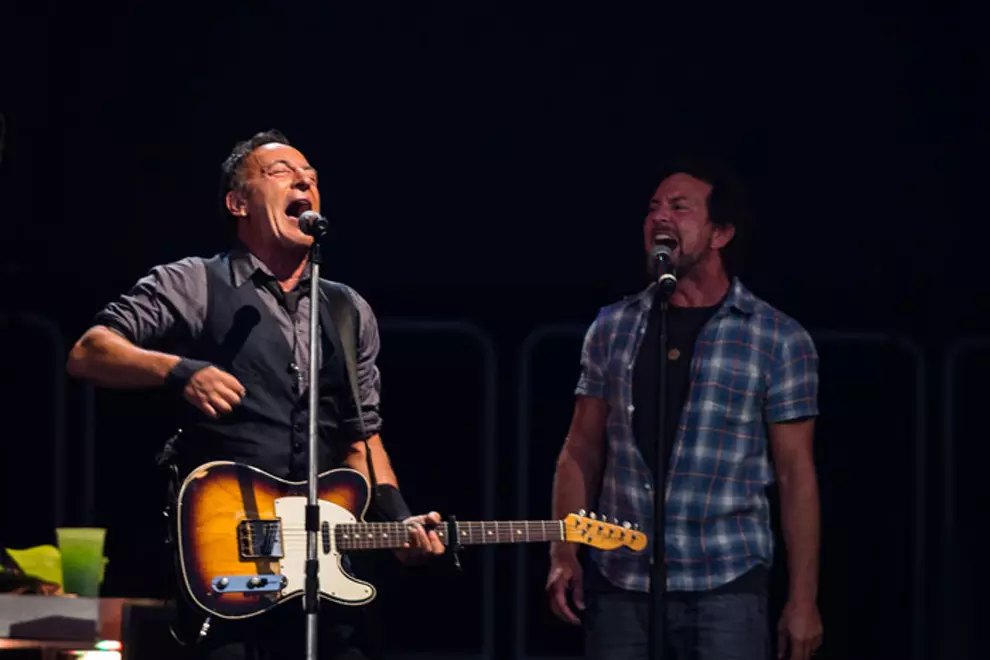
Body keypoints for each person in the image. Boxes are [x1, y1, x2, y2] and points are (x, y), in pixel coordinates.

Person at [66, 129, 446, 659]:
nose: (304, 181)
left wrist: (399, 517)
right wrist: (180, 371)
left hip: (322, 567)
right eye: (282, 172)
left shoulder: (347, 310)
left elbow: (363, 438)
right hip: (231, 561)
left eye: (311, 177)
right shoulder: (194, 282)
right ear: (238, 202)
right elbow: (90, 351)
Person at [545, 157, 824, 660]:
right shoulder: (614, 327)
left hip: (726, 586)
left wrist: (803, 600)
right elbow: (580, 450)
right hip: (621, 583)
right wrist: (565, 552)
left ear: (720, 233)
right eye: (653, 208)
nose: (660, 218)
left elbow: (796, 475)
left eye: (679, 206)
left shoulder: (777, 338)